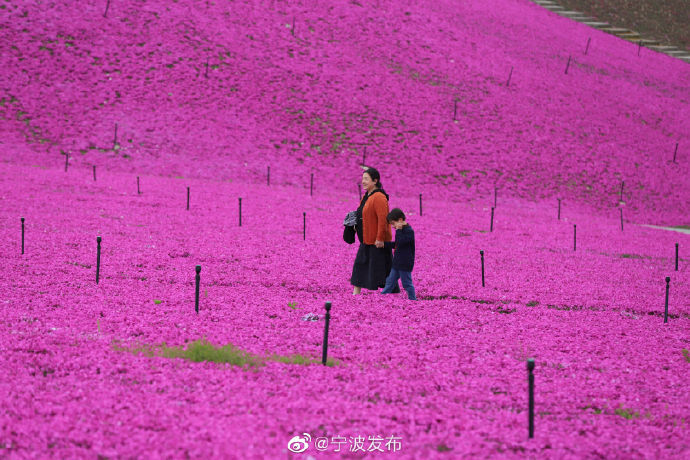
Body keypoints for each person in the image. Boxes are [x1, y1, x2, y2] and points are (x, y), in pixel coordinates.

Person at [350, 167, 398, 294]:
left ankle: (389, 297)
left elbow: (383, 220)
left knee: (383, 271)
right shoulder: (367, 196)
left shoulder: (379, 197)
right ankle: (355, 295)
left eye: (366, 179)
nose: (363, 181)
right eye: (362, 179)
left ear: (375, 180)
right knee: (360, 268)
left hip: (377, 242)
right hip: (366, 239)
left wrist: (380, 238)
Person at [381, 208, 416, 300]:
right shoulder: (400, 231)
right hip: (397, 263)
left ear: (400, 220)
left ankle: (413, 300)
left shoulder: (409, 231)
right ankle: (381, 298)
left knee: (407, 284)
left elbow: (401, 242)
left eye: (393, 223)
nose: (393, 226)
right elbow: (397, 244)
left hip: (405, 263)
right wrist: (384, 244)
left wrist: (399, 230)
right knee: (390, 282)